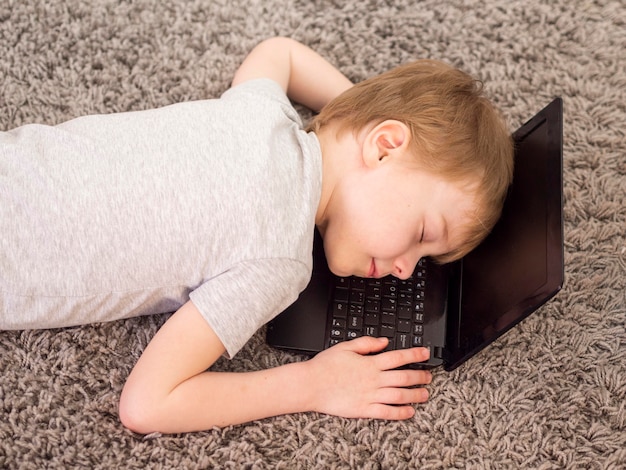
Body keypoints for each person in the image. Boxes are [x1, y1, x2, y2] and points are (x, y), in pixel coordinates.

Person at [0, 37, 513, 433]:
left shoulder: (262, 114)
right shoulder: (278, 258)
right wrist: (312, 384)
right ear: (382, 145)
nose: (406, 269)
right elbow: (147, 403)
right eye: (423, 234)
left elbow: (279, 52)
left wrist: (357, 110)